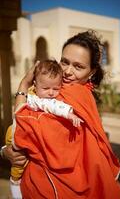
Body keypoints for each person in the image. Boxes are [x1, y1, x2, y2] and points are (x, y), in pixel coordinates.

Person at [1, 30, 120, 199]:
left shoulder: (73, 95)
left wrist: (23, 84)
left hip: (55, 187)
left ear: (92, 72)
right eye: (64, 62)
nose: (67, 71)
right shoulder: (57, 88)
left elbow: (26, 130)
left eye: (78, 66)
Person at [9, 59, 83, 199]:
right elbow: (50, 106)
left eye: (56, 89)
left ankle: (15, 182)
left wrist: (69, 113)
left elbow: (53, 105)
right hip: (14, 132)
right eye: (46, 88)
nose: (51, 93)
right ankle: (14, 182)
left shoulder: (41, 98)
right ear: (36, 85)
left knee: (19, 161)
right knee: (17, 161)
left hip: (19, 133)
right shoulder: (35, 96)